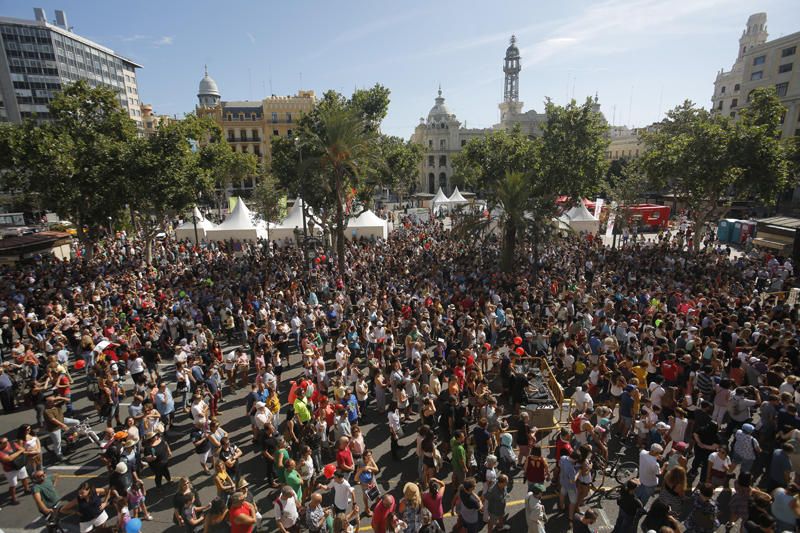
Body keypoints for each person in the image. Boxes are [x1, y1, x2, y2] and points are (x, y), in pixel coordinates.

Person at [0, 435, 30, 504]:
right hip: (10, 470)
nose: (7, 443)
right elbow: (8, 459)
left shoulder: (12, 444)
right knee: (13, 485)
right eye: (4, 442)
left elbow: (22, 449)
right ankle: (13, 498)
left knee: (24, 477)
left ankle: (26, 489)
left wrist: (13, 455)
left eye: (7, 441)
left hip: (19, 465)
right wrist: (17, 453)